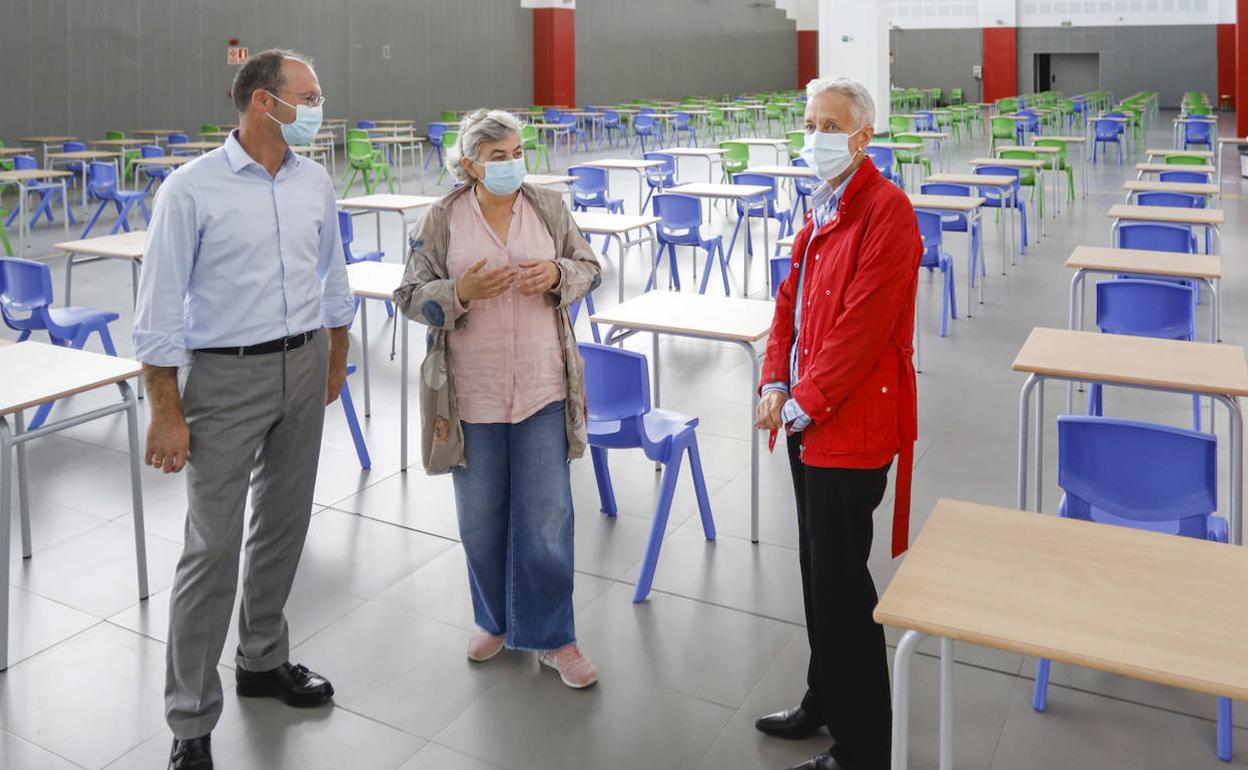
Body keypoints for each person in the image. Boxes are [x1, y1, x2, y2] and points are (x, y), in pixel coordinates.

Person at [132, 49, 354, 770]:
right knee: (212, 549)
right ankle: (190, 721)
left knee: (284, 526)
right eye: (309, 95)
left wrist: (335, 355)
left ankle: (262, 659)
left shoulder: (313, 180)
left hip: (302, 365)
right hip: (224, 381)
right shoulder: (190, 191)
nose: (319, 106)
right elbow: (159, 311)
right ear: (264, 101)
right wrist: (166, 410)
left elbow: (331, 276)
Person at [393, 109, 602, 689]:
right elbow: (408, 297)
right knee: (481, 518)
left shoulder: (547, 208)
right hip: (471, 393)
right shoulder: (441, 220)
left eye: (516, 152)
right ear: (469, 165)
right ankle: (495, 620)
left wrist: (558, 275)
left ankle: (554, 635)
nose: (511, 163)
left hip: (541, 387)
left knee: (546, 520)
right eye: (497, 156)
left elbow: (589, 267)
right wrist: (458, 291)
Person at [752, 77, 921, 770]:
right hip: (807, 419)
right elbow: (787, 304)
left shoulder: (888, 213)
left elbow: (861, 330)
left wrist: (800, 402)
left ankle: (863, 747)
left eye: (831, 124)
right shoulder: (821, 211)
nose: (816, 134)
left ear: (862, 137)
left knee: (843, 587)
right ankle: (826, 696)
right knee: (816, 571)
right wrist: (772, 377)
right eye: (811, 121)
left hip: (848, 429)